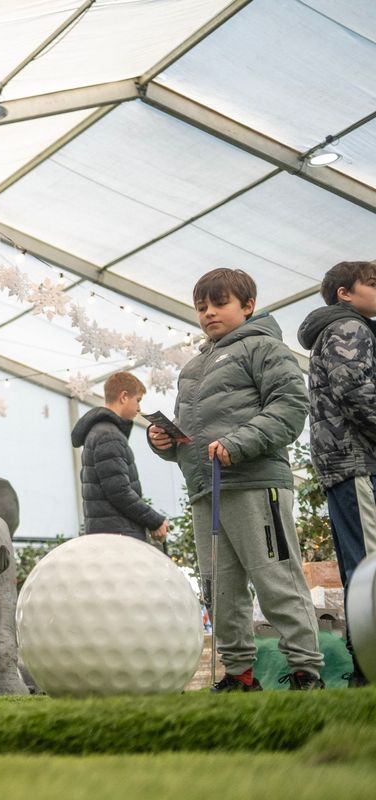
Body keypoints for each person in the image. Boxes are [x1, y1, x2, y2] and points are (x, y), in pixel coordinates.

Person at [147, 268, 324, 692]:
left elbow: (290, 407)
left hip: (256, 483)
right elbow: (192, 437)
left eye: (219, 303)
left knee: (275, 578)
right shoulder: (191, 369)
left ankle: (306, 672)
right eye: (201, 306)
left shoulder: (265, 348)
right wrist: (164, 441)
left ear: (248, 305)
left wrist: (239, 442)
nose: (208, 313)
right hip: (207, 489)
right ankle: (240, 675)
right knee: (219, 589)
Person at [297, 260, 376, 688]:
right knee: (369, 565)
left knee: (358, 564)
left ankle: (365, 662)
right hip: (358, 459)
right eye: (373, 284)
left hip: (344, 463)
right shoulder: (351, 328)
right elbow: (355, 390)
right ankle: (369, 664)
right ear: (344, 293)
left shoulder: (336, 329)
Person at [70, 371, 168, 543]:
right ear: (123, 397)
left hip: (108, 533)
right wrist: (155, 521)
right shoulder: (108, 435)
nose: (139, 408)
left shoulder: (100, 432)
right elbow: (119, 491)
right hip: (118, 536)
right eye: (138, 400)